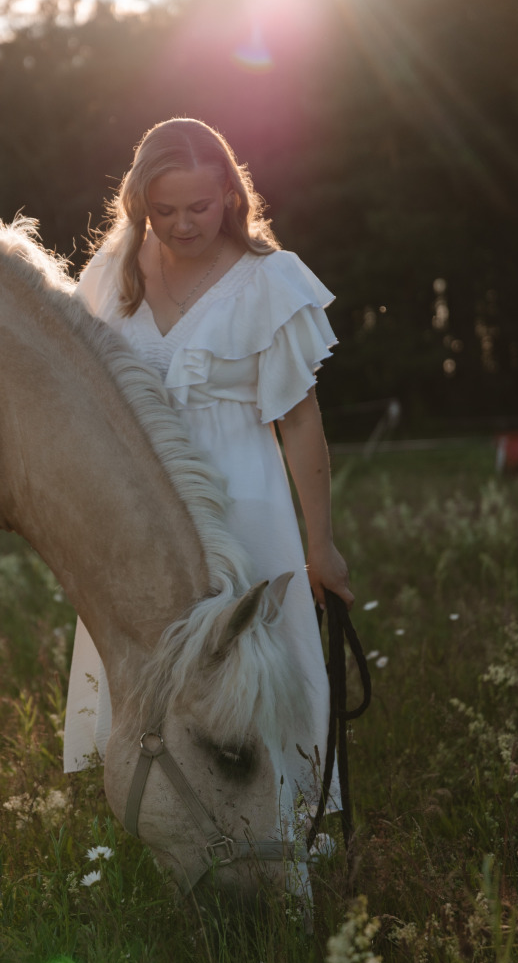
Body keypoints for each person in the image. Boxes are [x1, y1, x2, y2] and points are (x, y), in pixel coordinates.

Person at [63, 117, 353, 786]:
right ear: (139, 203)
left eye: (198, 206)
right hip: (138, 496)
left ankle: (284, 802)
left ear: (228, 193)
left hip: (240, 494)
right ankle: (154, 798)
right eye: (163, 210)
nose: (184, 224)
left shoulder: (269, 280)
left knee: (252, 648)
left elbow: (301, 421)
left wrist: (321, 544)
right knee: (144, 640)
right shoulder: (111, 275)